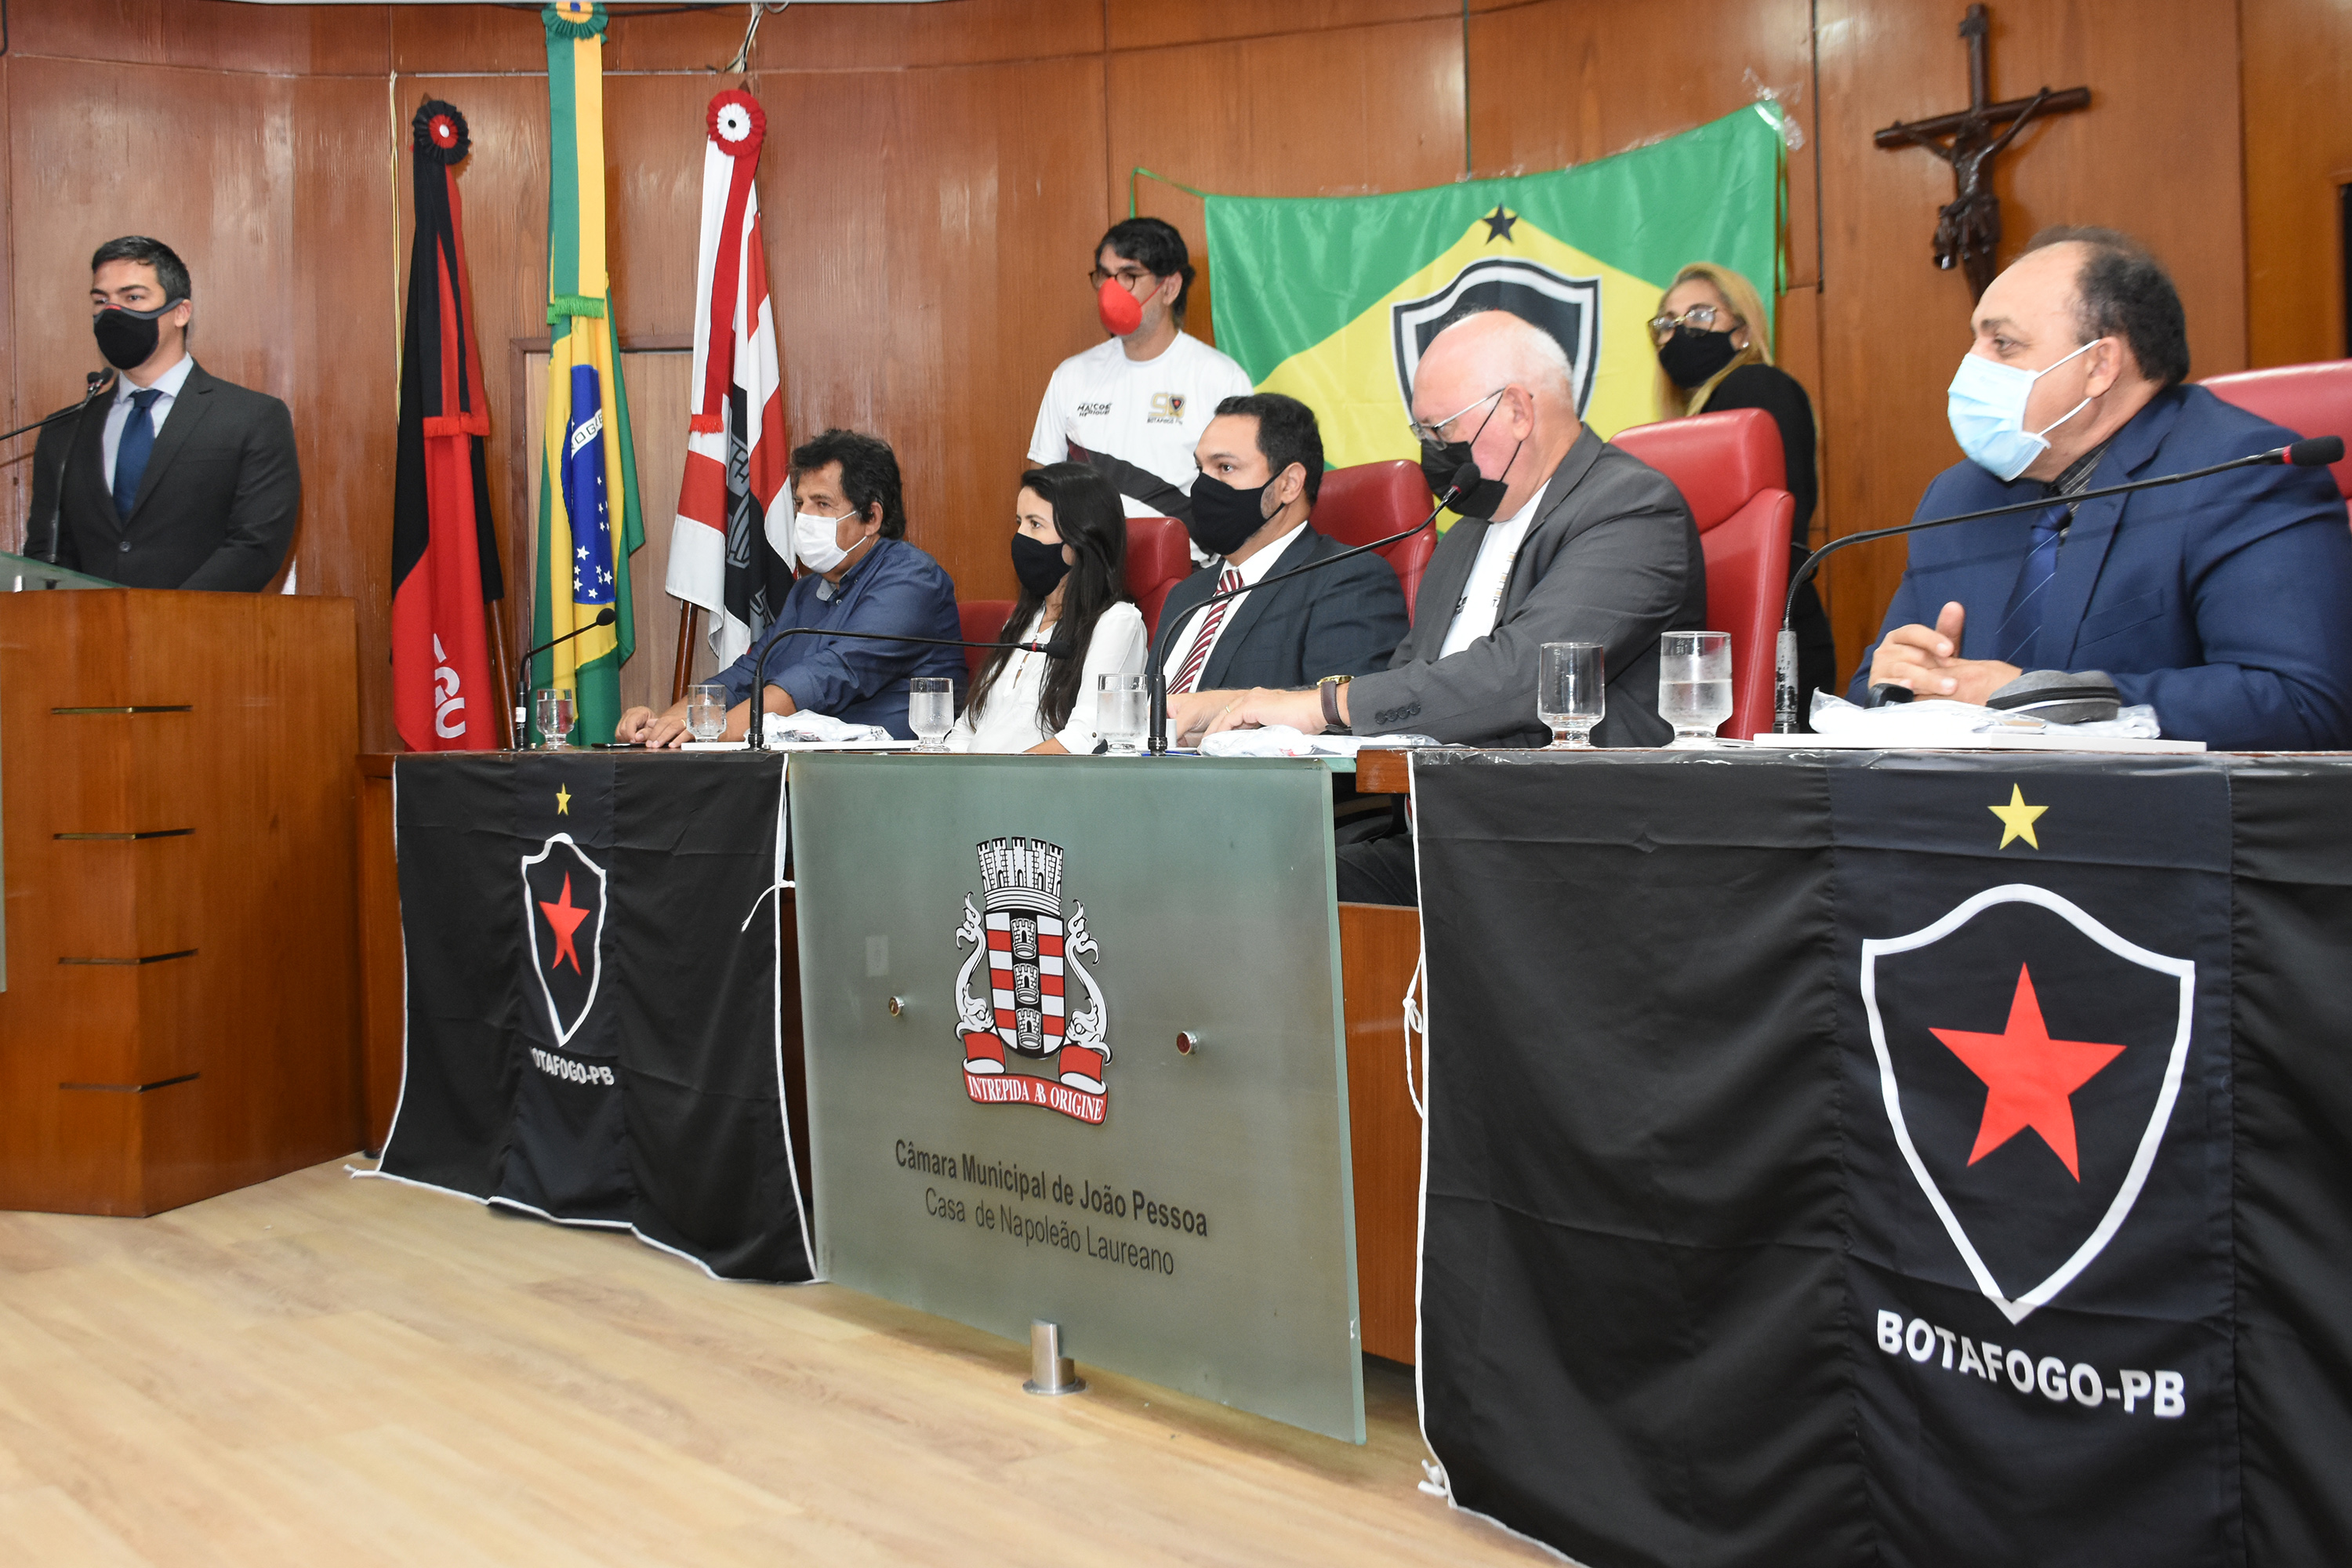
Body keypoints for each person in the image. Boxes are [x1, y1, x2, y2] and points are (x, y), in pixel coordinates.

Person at [1185, 310, 1706, 904]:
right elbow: (1408, 682)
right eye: (1422, 432)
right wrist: (1254, 708)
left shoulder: (1631, 508)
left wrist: (1322, 705)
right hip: (1446, 839)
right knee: (1244, 885)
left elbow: (1525, 675)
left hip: (1568, 854)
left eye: (1442, 429)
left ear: (1517, 411)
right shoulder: (1465, 534)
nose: (1432, 450)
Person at [1854, 227, 2352, 749]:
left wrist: (2038, 700)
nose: (1971, 366)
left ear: (2099, 366)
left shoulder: (2241, 474)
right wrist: (1893, 687)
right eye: (1975, 340)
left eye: (2003, 343)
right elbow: (1870, 692)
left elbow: (2303, 704)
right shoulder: (1958, 497)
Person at [618, 429, 963, 746]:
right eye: (800, 504)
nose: (804, 517)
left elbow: (829, 675)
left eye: (822, 504)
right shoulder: (807, 591)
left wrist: (708, 730)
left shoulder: (914, 580)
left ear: (871, 517)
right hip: (809, 768)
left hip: (892, 772)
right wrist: (661, 728)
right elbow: (749, 674)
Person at [29, 236, 299, 590]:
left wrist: (168, 616)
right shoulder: (65, 430)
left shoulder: (252, 418)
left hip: (202, 622)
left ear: (181, 312)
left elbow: (256, 545)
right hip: (90, 624)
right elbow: (46, 553)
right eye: (101, 301)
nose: (113, 312)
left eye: (133, 298)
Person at [1651, 261, 1836, 716]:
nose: (1680, 331)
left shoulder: (1758, 386)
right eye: (1666, 323)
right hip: (1722, 643)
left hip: (1762, 642)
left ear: (1743, 331)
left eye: (1700, 315)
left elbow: (1773, 539)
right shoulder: (1698, 419)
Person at [1153, 393, 1408, 700]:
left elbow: (1342, 715)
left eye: (1225, 467)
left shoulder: (1348, 582)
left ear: (1289, 484)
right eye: (1200, 469)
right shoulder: (1185, 595)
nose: (1202, 487)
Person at [1027, 217, 1252, 536]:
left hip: (1185, 562)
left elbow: (1243, 491)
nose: (1110, 290)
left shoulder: (1220, 378)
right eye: (1105, 275)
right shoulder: (1071, 376)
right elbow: (1040, 489)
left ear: (1169, 288)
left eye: (1129, 276)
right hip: (1090, 561)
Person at [951, 463, 1146, 753]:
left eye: (1035, 524)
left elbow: (1086, 737)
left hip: (1039, 780)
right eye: (1019, 522)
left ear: (1079, 538)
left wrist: (994, 775)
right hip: (981, 778)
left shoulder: (1117, 622)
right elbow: (966, 730)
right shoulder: (1022, 622)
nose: (1020, 536)